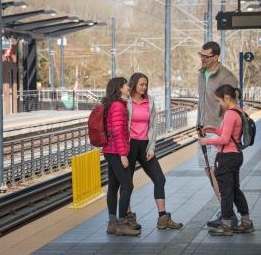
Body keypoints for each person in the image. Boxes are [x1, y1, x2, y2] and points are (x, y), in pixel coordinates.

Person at [126, 72, 183, 230]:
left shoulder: (149, 102)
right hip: (129, 146)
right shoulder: (126, 102)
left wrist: (151, 147)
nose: (144, 87)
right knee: (127, 184)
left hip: (145, 146)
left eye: (146, 84)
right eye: (141, 84)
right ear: (133, 85)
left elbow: (153, 126)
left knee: (160, 179)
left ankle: (163, 218)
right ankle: (128, 218)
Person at [199, 84, 254, 236]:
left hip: (227, 157)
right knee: (235, 190)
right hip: (236, 155)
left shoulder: (230, 113)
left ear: (227, 98)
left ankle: (226, 225)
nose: (219, 104)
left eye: (219, 101)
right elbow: (230, 135)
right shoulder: (239, 111)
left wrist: (206, 141)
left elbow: (224, 140)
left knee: (226, 192)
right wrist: (214, 129)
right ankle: (246, 221)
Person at [196, 41, 238, 228]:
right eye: (201, 55)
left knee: (218, 173)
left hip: (219, 131)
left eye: (205, 56)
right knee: (208, 170)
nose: (202, 59)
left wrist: (223, 128)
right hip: (204, 129)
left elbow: (232, 104)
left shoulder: (227, 76)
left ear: (215, 57)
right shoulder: (201, 74)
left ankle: (228, 215)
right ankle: (226, 211)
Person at [102, 77, 140, 236]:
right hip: (116, 152)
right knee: (127, 185)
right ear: (119, 89)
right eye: (126, 85)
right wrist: (123, 155)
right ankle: (122, 222)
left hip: (110, 151)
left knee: (114, 186)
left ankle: (112, 223)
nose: (128, 87)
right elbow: (117, 133)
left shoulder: (115, 105)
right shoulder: (118, 106)